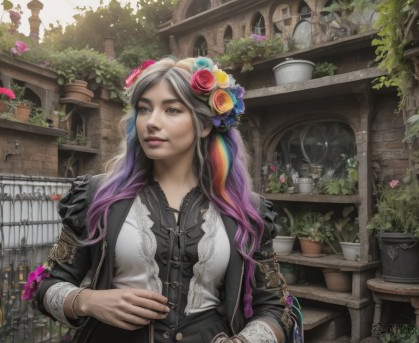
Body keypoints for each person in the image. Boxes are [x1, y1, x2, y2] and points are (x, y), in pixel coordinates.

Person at [23, 56, 302, 343]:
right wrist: (88, 301)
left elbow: (275, 307)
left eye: (171, 109)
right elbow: (44, 285)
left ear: (205, 124)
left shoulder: (245, 210)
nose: (151, 123)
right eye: (144, 109)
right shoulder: (97, 196)